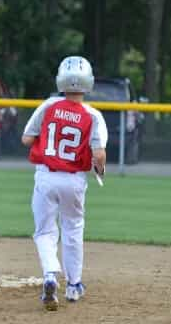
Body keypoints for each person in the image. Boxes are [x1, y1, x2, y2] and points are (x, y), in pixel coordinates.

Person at [21, 56, 108, 311]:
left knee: (45, 231)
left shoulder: (48, 106)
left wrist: (48, 142)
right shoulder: (93, 115)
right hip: (74, 180)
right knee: (73, 230)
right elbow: (99, 153)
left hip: (46, 176)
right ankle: (73, 286)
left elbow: (27, 139)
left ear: (60, 79)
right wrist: (99, 169)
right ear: (89, 82)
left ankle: (49, 274)